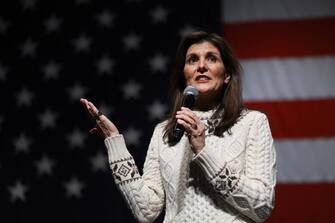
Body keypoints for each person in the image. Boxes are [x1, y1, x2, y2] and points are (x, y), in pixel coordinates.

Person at [80, 31, 276, 223]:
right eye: (192, 60)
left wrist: (203, 150)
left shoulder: (252, 123)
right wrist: (115, 144)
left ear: (227, 75)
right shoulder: (163, 132)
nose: (201, 66)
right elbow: (146, 211)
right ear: (184, 77)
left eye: (211, 58)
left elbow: (262, 207)